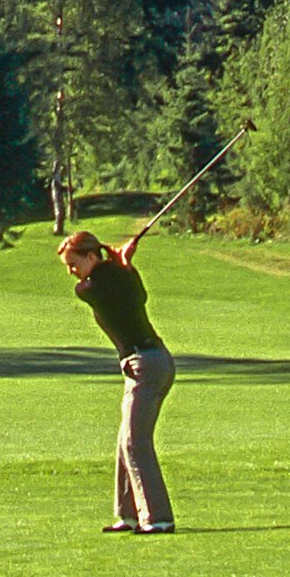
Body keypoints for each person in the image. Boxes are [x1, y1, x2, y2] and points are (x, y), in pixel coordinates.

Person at [57, 224, 174, 534]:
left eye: (74, 264)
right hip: (150, 361)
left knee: (136, 443)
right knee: (125, 442)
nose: (71, 272)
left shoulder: (93, 286)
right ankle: (129, 515)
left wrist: (123, 264)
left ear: (92, 256)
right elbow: (138, 293)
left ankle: (158, 519)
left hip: (146, 363)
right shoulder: (113, 276)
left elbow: (107, 291)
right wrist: (126, 264)